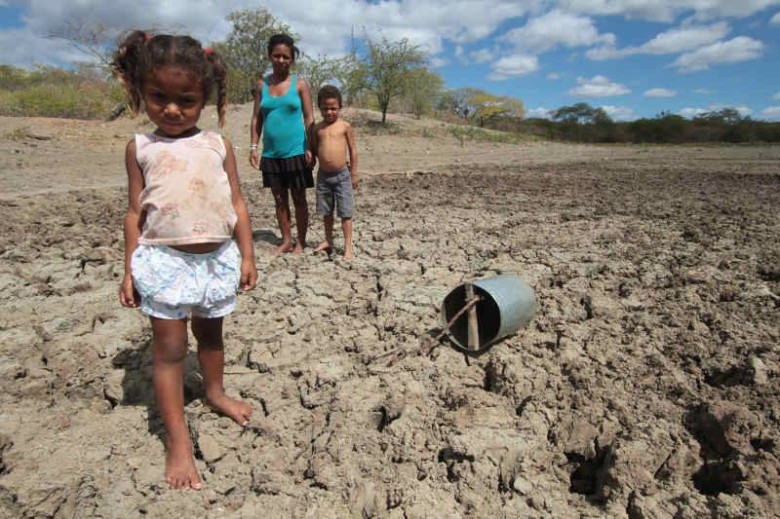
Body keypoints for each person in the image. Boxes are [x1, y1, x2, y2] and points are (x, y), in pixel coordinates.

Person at [113, 31, 257, 490]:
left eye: (186, 100)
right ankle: (177, 440)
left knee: (211, 338)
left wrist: (248, 254)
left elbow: (236, 203)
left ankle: (215, 393)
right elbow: (136, 212)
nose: (172, 109)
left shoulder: (218, 146)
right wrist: (128, 267)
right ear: (140, 91)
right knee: (170, 351)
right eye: (159, 97)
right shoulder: (141, 147)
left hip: (217, 259)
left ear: (204, 100)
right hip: (164, 261)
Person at [249, 34, 315, 254]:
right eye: (276, 56)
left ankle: (301, 241)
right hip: (271, 154)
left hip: (296, 151)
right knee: (279, 199)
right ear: (270, 56)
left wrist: (310, 146)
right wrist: (253, 147)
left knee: (299, 197)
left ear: (292, 59)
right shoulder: (262, 85)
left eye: (285, 57)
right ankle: (286, 240)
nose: (281, 60)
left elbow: (309, 117)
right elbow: (257, 118)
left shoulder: (301, 85)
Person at [310, 85, 359, 260]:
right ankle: (328, 240)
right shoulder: (317, 129)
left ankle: (348, 247)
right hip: (323, 177)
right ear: (319, 108)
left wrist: (354, 173)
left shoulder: (345, 126)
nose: (329, 112)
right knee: (326, 212)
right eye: (325, 108)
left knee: (345, 212)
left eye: (333, 108)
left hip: (342, 176)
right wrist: (309, 156)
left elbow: (353, 149)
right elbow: (315, 150)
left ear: (340, 107)